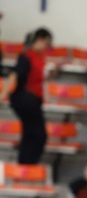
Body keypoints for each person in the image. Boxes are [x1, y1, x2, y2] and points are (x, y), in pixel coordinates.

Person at [0, 28, 52, 164]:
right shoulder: (26, 56)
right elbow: (14, 75)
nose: (47, 47)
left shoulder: (39, 58)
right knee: (38, 135)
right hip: (25, 99)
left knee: (31, 135)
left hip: (33, 100)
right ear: (39, 40)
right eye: (46, 43)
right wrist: (3, 94)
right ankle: (27, 164)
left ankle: (26, 164)